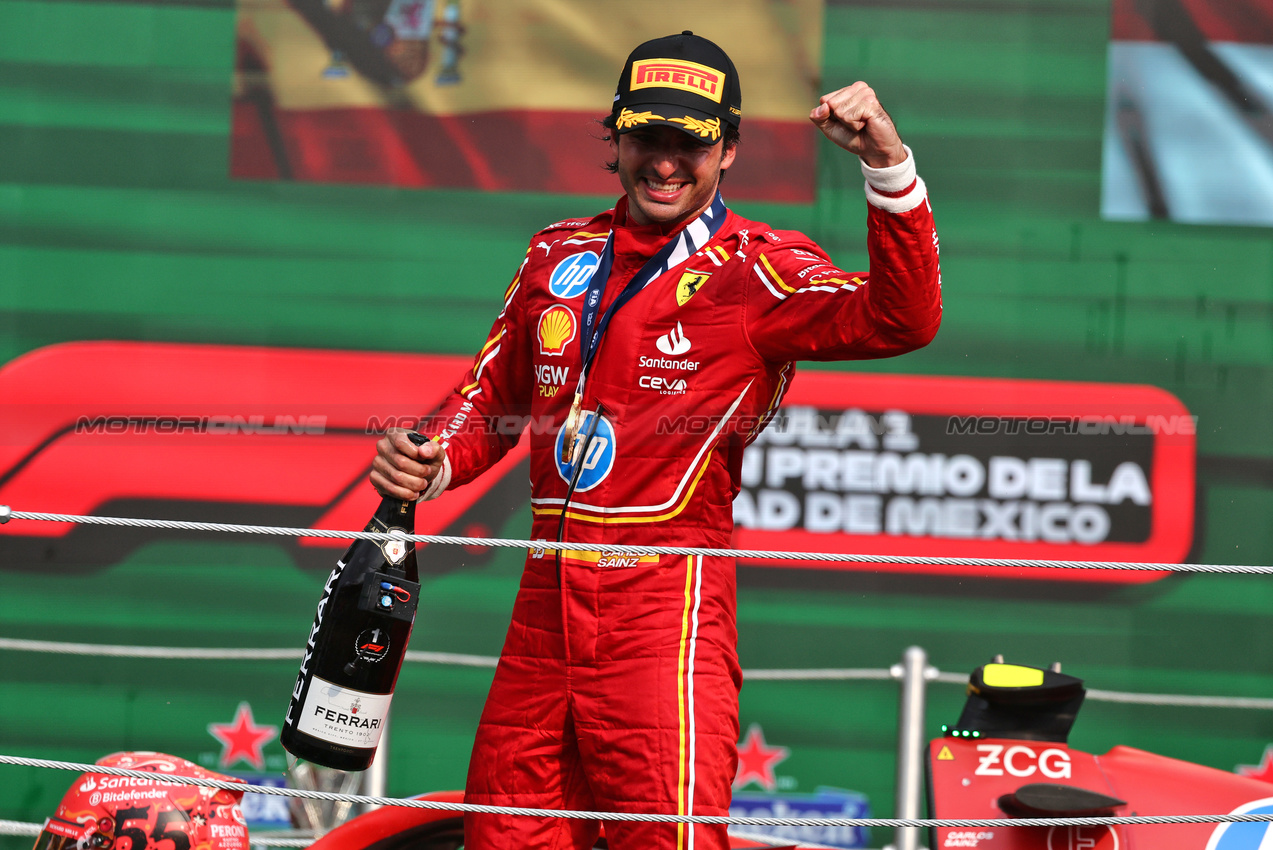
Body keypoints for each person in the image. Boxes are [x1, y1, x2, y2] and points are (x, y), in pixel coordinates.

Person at [371, 31, 942, 850]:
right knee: (502, 840)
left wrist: (888, 168)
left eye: (690, 143)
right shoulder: (555, 253)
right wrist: (430, 461)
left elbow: (902, 317)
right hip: (543, 608)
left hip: (664, 611)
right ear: (617, 139)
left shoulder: (758, 269)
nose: (664, 162)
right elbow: (491, 395)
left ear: (729, 150)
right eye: (646, 137)